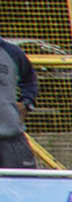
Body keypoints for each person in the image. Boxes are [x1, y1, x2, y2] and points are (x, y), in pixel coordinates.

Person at [0, 34, 38, 169]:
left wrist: (27, 103)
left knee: (24, 186)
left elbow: (29, 79)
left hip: (12, 139)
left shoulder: (12, 52)